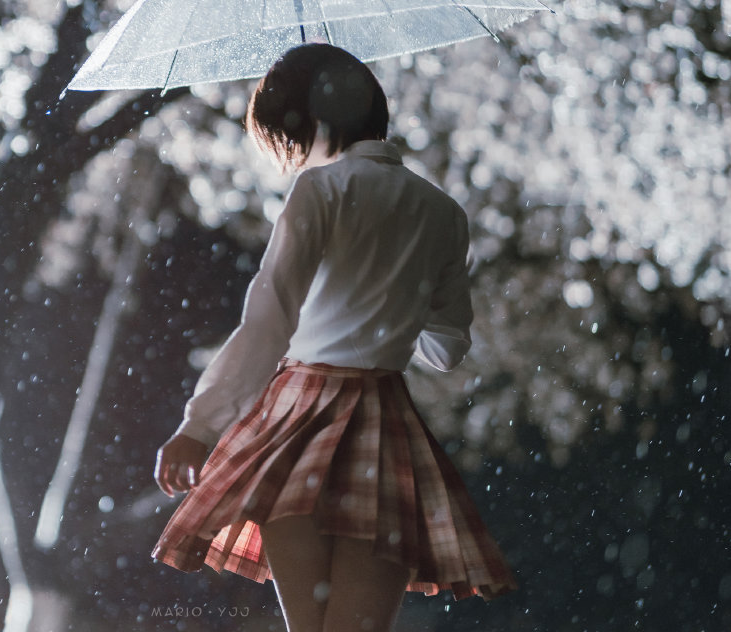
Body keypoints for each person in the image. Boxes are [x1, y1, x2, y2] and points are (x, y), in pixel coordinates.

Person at [151, 43, 516, 632]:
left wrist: (200, 425)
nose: (290, 156)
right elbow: (447, 349)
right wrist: (395, 293)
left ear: (313, 123)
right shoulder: (443, 212)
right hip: (383, 424)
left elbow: (268, 320)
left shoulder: (318, 191)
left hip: (298, 421)